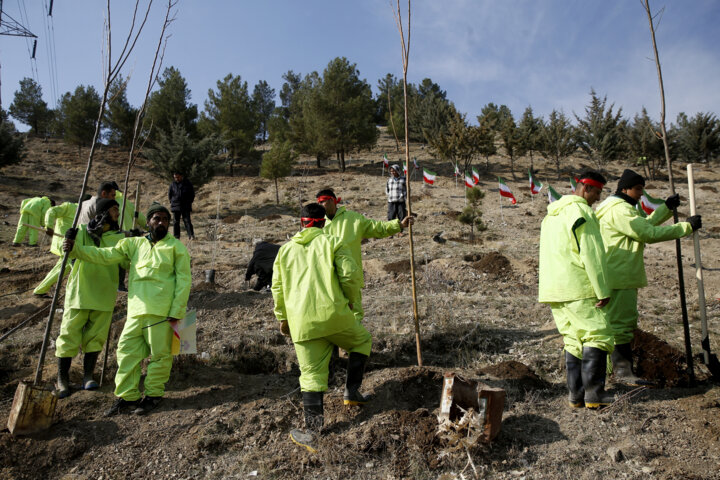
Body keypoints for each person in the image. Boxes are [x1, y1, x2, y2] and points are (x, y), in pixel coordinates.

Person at [63, 202, 191, 416]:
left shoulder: (176, 247)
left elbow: (184, 280)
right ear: (148, 221)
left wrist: (177, 311)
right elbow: (105, 255)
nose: (161, 222)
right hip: (136, 311)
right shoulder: (134, 244)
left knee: (160, 356)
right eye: (156, 218)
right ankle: (128, 396)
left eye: (165, 220)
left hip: (162, 312)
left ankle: (154, 395)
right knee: (126, 352)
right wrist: (76, 249)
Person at [272, 203, 372, 453]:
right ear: (321, 222)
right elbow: (350, 276)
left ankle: (314, 433)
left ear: (302, 223)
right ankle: (352, 391)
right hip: (335, 316)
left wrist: (283, 318)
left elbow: (277, 289)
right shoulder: (332, 242)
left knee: (311, 375)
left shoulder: (284, 251)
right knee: (361, 342)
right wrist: (350, 301)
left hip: (302, 323)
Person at [595, 169, 701, 386]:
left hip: (616, 273)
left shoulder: (617, 208)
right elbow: (648, 234)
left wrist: (666, 208)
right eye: (638, 190)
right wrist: (686, 227)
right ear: (625, 189)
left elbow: (644, 225)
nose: (641, 195)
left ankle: (613, 371)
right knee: (621, 325)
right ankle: (623, 374)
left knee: (615, 323)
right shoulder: (620, 211)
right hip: (620, 274)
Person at [538, 170, 614, 409]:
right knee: (597, 334)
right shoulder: (581, 212)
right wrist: (602, 288)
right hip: (578, 286)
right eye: (597, 192)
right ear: (585, 189)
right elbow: (592, 253)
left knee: (572, 339)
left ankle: (576, 396)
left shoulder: (551, 215)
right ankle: (595, 395)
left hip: (554, 288)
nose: (598, 198)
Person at [55, 199, 125, 397]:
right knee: (68, 334)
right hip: (80, 291)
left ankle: (88, 376)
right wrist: (67, 244)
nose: (117, 214)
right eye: (114, 210)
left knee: (96, 337)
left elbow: (121, 260)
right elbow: (68, 257)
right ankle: (62, 379)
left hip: (104, 292)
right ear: (102, 211)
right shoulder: (82, 231)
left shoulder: (119, 238)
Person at [316, 188, 414, 322]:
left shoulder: (353, 219)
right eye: (318, 203)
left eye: (322, 202)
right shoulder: (317, 224)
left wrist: (399, 225)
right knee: (330, 317)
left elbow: (377, 228)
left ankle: (353, 342)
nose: (320, 205)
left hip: (350, 277)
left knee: (354, 317)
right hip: (327, 279)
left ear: (333, 200)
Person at [33, 199, 79, 296]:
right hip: (64, 243)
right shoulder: (69, 207)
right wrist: (49, 226)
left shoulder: (85, 212)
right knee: (77, 268)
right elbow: (51, 211)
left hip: (71, 245)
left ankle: (40, 290)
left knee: (60, 268)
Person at [168, 172, 195, 240]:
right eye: (175, 177)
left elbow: (192, 194)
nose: (176, 179)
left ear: (181, 176)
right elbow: (170, 195)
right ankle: (176, 237)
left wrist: (189, 202)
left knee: (187, 221)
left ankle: (191, 235)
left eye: (178, 177)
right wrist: (172, 202)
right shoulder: (172, 184)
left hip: (185, 205)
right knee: (176, 222)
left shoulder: (187, 184)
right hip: (176, 206)